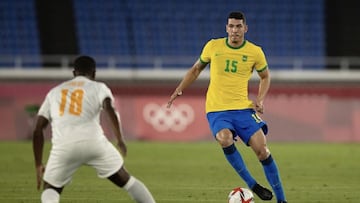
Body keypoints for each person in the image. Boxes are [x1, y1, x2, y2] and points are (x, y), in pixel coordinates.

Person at [167, 11, 287, 203]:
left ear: (245, 28)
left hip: (243, 109)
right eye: (231, 26)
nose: (234, 30)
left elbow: (265, 76)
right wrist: (179, 89)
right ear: (226, 28)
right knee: (225, 138)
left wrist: (261, 99)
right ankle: (253, 185)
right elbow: (196, 68)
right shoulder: (213, 46)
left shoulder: (255, 52)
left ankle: (282, 200)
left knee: (263, 150)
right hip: (217, 109)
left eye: (238, 26)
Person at [33, 55, 156, 203]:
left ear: (74, 73)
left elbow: (38, 129)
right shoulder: (99, 87)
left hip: (64, 146)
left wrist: (38, 163)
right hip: (94, 143)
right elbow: (109, 109)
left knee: (51, 188)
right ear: (94, 73)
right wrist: (120, 139)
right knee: (127, 180)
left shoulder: (55, 92)